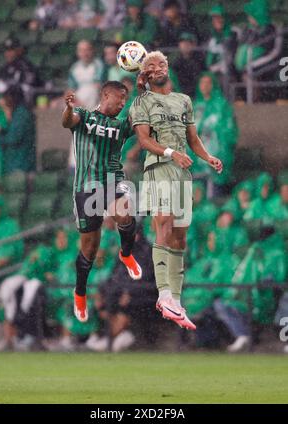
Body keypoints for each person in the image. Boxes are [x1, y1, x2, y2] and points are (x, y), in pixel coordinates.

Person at [129, 51, 223, 330]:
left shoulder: (184, 100)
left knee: (180, 238)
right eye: (150, 66)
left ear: (168, 68)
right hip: (159, 167)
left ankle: (177, 301)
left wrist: (208, 157)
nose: (157, 68)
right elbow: (144, 141)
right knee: (165, 224)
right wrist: (171, 153)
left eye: (161, 64)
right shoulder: (142, 102)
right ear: (144, 73)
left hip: (183, 171)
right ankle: (164, 295)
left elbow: (192, 138)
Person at [62, 81, 142, 323]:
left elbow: (143, 130)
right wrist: (67, 108)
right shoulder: (85, 117)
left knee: (125, 215)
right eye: (119, 98)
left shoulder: (121, 124)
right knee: (89, 249)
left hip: (112, 181)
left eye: (125, 99)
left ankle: (126, 254)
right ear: (106, 95)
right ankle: (80, 293)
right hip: (86, 188)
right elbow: (68, 122)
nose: (122, 103)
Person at [0, 86, 36, 174]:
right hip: (20, 162)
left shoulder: (21, 114)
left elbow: (13, 139)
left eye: (6, 97)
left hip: (19, 165)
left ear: (12, 98)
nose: (4, 100)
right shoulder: (19, 112)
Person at [68, 40, 104, 110]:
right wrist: (78, 103)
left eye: (87, 50)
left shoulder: (99, 64)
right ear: (77, 53)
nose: (85, 53)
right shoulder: (74, 68)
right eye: (81, 50)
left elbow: (98, 86)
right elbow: (70, 89)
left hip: (95, 103)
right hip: (78, 102)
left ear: (92, 50)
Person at [172, 32, 205, 98]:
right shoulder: (175, 61)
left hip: (197, 95)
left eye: (189, 42)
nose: (185, 45)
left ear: (194, 45)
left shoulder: (199, 60)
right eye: (183, 42)